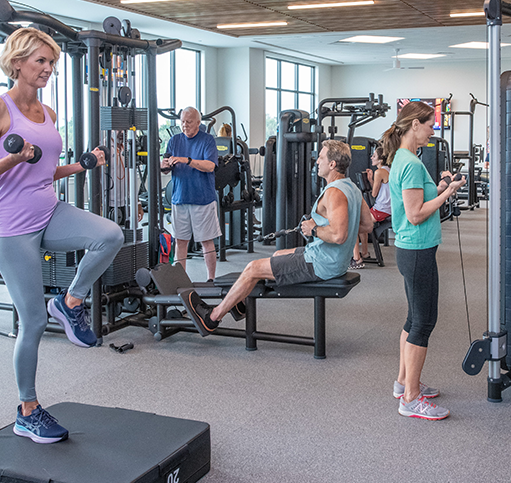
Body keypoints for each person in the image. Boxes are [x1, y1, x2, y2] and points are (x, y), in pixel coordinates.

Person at [0, 27, 124, 445]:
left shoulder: (48, 113)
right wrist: (11, 158)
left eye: (52, 63)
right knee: (31, 322)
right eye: (40, 61)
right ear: (17, 63)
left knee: (110, 235)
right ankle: (27, 409)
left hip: (48, 210)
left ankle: (69, 301)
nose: (48, 69)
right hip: (11, 225)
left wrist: (81, 166)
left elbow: (42, 170)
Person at [180, 139, 373, 335]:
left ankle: (212, 317)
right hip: (330, 259)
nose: (317, 162)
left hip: (322, 263)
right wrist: (338, 223)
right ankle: (240, 300)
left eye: (321, 158)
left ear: (332, 164)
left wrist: (313, 229)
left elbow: (339, 235)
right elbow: (368, 224)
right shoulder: (352, 187)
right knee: (278, 254)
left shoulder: (334, 192)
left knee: (252, 268)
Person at [382, 101, 464, 421]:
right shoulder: (412, 163)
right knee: (423, 322)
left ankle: (403, 382)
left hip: (411, 249)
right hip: (416, 250)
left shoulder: (404, 158)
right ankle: (411, 399)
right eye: (430, 125)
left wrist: (441, 186)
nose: (433, 130)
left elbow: (414, 203)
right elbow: (416, 214)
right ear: (414, 125)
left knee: (413, 318)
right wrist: (449, 192)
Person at [161, 107, 220, 281]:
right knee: (180, 241)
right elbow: (164, 167)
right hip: (180, 198)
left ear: (198, 123)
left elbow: (210, 166)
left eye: (188, 122)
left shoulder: (208, 140)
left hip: (203, 199)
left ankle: (211, 279)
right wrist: (164, 165)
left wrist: (187, 160)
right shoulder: (174, 141)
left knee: (206, 241)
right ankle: (181, 279)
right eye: (182, 122)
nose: (184, 125)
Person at [352, 144, 391, 269]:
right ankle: (365, 253)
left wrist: (372, 179)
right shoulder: (387, 170)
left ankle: (356, 259)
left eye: (374, 156)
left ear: (380, 159)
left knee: (352, 227)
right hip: (384, 208)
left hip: (382, 210)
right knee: (359, 220)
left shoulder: (379, 172)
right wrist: (370, 179)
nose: (371, 157)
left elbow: (374, 194)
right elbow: (380, 190)